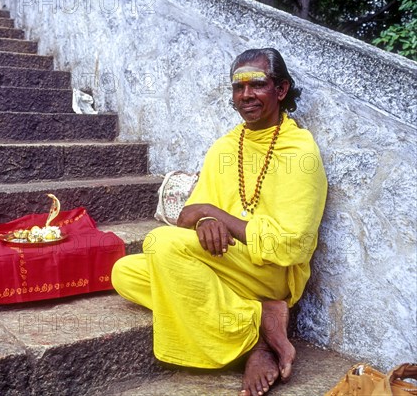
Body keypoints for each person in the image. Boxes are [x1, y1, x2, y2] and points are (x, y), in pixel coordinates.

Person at [111, 48, 327, 396]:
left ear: (281, 90)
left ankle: (252, 343)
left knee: (159, 243)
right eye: (237, 87)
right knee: (123, 273)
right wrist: (202, 223)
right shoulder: (225, 147)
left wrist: (216, 216)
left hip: (269, 270)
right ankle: (259, 319)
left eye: (257, 84)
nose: (246, 95)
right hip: (225, 263)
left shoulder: (299, 152)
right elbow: (188, 216)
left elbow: (292, 245)